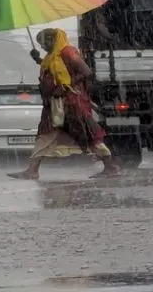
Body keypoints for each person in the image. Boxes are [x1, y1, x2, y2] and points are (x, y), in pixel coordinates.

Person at [8, 28, 121, 180]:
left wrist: (65, 87)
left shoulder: (67, 52)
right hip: (53, 104)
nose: (42, 46)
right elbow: (55, 70)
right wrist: (38, 60)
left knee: (86, 134)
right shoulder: (51, 56)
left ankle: (110, 166)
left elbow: (86, 72)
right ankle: (32, 170)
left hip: (71, 103)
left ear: (52, 40)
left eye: (43, 43)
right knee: (45, 135)